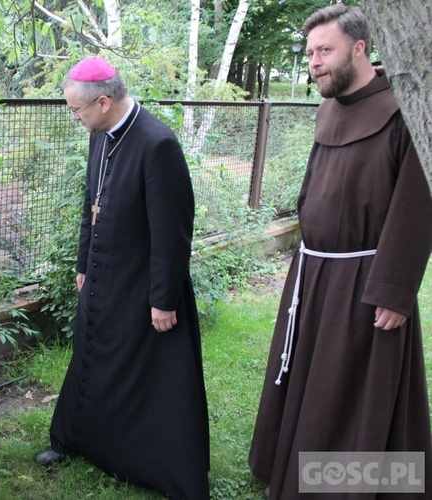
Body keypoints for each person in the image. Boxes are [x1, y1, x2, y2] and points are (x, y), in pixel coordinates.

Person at [249, 5, 432, 499]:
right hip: (314, 271)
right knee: (309, 377)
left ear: (359, 48)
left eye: (324, 50)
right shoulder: (329, 108)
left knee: (351, 392)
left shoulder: (402, 112)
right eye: (310, 52)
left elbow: (416, 204)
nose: (313, 61)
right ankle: (290, 467)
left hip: (366, 281)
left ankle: (345, 485)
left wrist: (394, 290)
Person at [34, 56, 210, 499]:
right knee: (92, 361)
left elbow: (173, 232)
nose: (75, 118)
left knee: (151, 378)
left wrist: (164, 298)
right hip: (100, 278)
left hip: (142, 285)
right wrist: (81, 263)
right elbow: (90, 205)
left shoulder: (157, 144)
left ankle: (162, 469)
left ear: (105, 102)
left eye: (77, 110)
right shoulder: (101, 134)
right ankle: (80, 439)